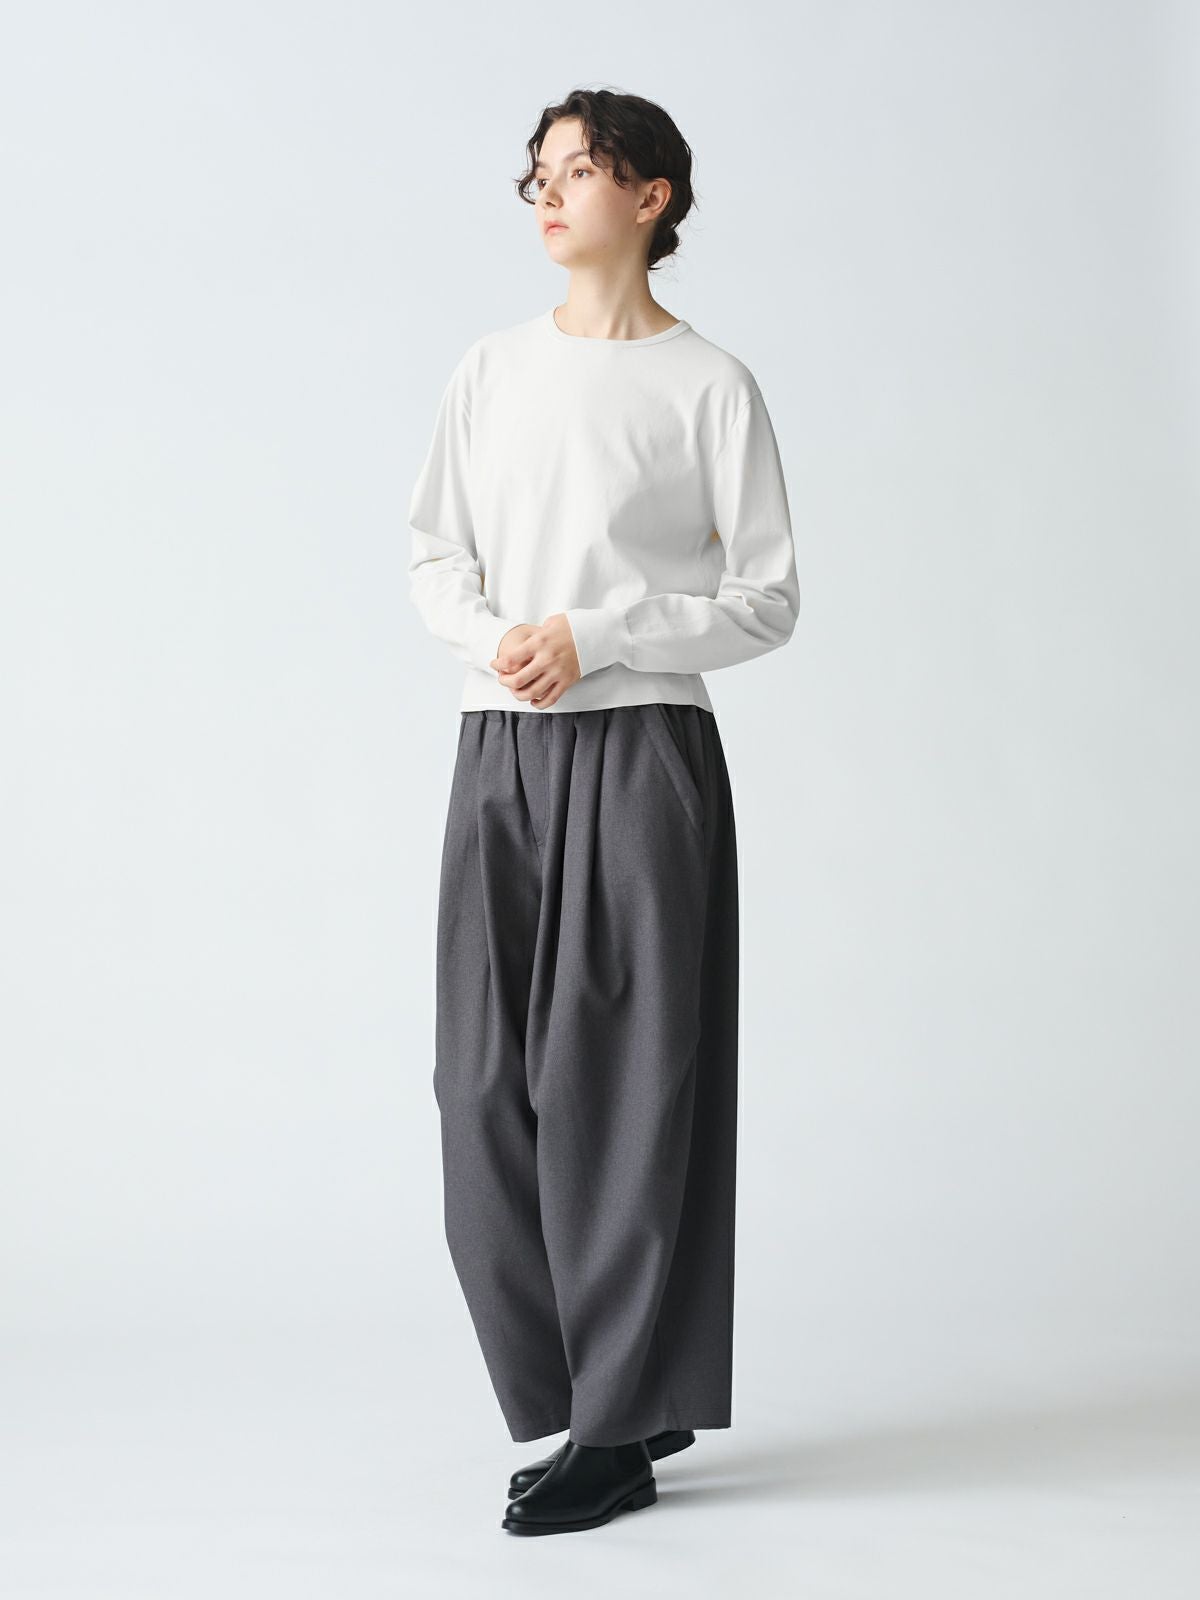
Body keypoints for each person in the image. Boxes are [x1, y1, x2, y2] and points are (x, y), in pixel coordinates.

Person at [407, 86, 800, 1536]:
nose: (549, 194)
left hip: (644, 753)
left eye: (579, 170)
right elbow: (433, 550)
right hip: (501, 745)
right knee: (480, 1090)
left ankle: (620, 1423)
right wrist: (501, 641)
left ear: (653, 197)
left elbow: (766, 598)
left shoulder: (711, 386)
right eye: (537, 175)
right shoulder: (491, 370)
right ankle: (605, 1385)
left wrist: (601, 633)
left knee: (626, 1091)